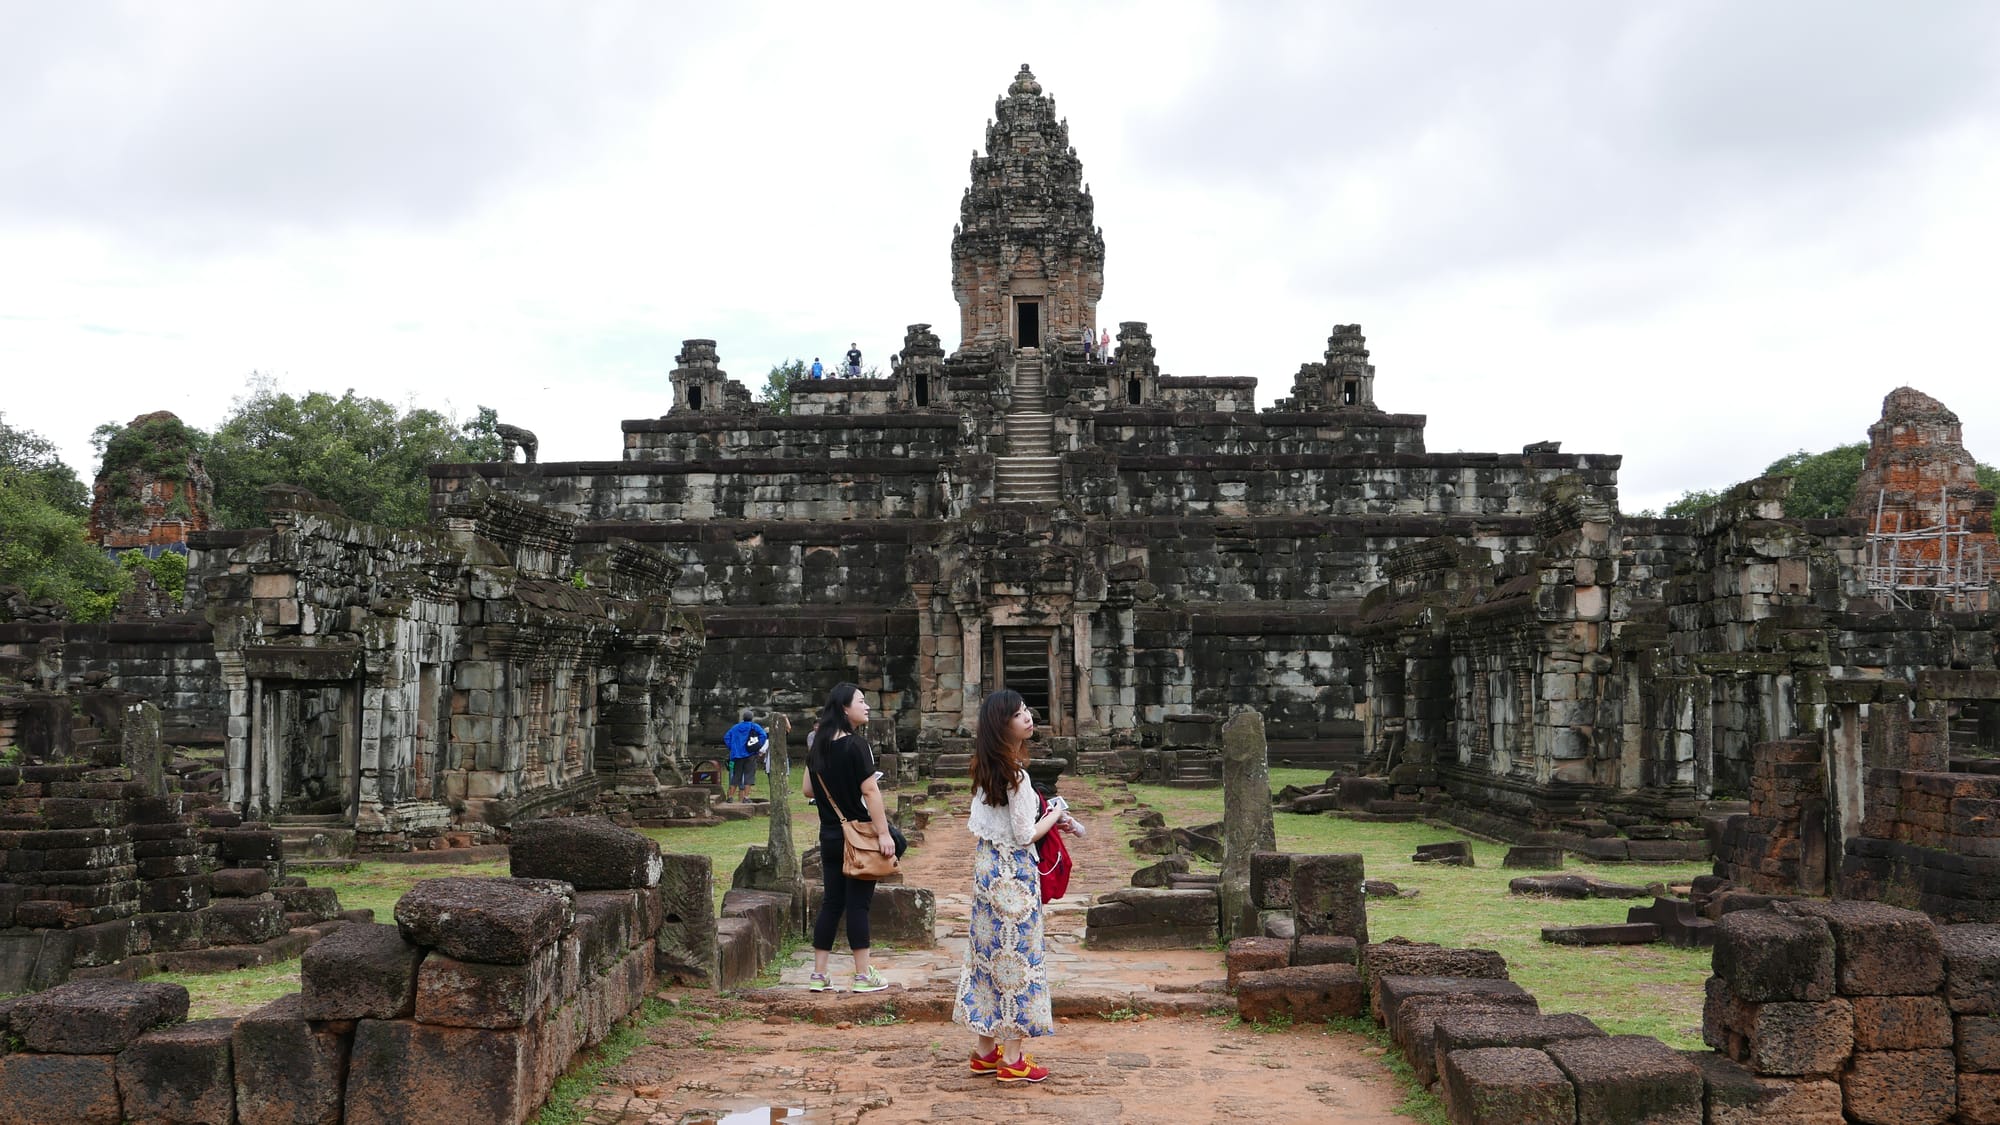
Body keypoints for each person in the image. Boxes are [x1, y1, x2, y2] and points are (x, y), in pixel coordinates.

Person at [952, 689, 1062, 1084]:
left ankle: (985, 1051)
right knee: (1018, 959)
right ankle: (1013, 1059)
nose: (1028, 716)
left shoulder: (985, 767)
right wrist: (1057, 814)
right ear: (1004, 726)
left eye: (1027, 710)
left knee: (986, 957)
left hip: (986, 869)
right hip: (1013, 874)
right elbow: (1025, 834)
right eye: (1019, 714)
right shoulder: (1016, 774)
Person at [801, 683, 902, 993]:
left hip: (830, 835)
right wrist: (883, 834)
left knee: (832, 902)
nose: (867, 706)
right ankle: (862, 975)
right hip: (857, 835)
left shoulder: (818, 745)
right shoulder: (856, 746)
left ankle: (818, 975)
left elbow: (807, 790)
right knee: (858, 905)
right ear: (845, 708)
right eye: (861, 701)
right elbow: (870, 791)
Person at [722, 709, 768, 803]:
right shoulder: (754, 726)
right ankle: (746, 797)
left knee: (736, 776)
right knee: (749, 776)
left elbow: (726, 737)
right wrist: (758, 746)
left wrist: (732, 747)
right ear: (752, 718)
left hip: (737, 755)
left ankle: (730, 796)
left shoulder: (735, 727)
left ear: (743, 718)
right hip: (750, 754)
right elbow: (763, 735)